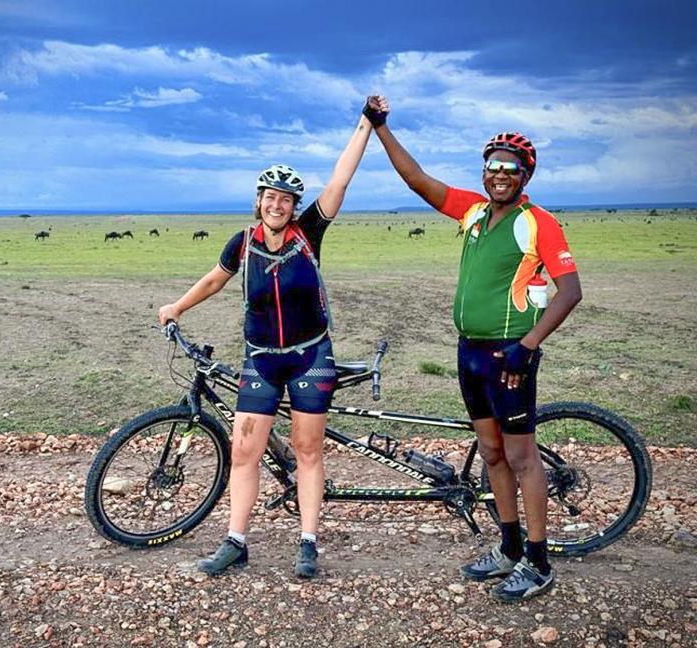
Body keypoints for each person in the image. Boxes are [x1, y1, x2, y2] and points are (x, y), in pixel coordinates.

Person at [366, 96, 582, 602]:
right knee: (490, 453)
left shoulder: (539, 223)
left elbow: (570, 291)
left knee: (522, 456)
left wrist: (528, 347)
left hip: (511, 356)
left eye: (510, 167)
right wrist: (380, 128)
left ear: (525, 175)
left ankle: (539, 561)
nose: (499, 173)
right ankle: (507, 547)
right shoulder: (473, 211)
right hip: (470, 354)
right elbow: (417, 180)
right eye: (492, 166)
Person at [157, 106, 377, 578]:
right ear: (258, 201)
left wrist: (366, 124)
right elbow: (216, 280)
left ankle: (308, 542)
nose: (278, 205)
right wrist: (177, 306)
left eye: (286, 200)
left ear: (295, 207)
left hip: (311, 356)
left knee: (307, 449)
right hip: (261, 359)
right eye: (270, 197)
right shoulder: (242, 243)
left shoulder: (309, 234)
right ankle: (236, 541)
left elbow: (339, 182)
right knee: (244, 451)